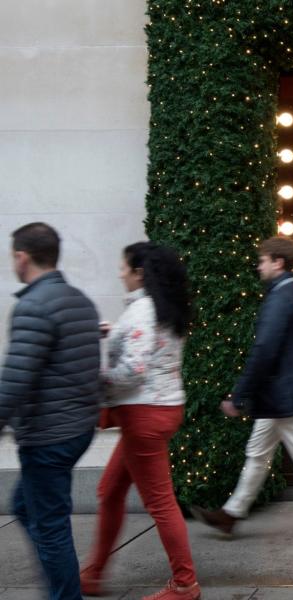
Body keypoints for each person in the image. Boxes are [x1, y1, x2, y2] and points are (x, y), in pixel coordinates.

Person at [191, 236, 293, 547]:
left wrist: (239, 396)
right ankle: (231, 513)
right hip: (283, 395)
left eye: (262, 260)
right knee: (257, 453)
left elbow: (264, 349)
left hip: (281, 397)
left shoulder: (280, 297)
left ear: (278, 262)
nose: (258, 265)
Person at [80, 242, 200, 599]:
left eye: (123, 267)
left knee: (160, 502)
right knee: (110, 490)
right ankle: (94, 573)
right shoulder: (160, 307)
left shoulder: (143, 309)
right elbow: (148, 345)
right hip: (159, 409)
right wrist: (114, 330)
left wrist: (97, 383)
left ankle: (185, 584)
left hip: (142, 415)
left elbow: (134, 367)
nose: (119, 273)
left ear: (139, 273)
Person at [0, 222, 100, 600]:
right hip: (76, 428)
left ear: (22, 257)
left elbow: (14, 380)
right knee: (24, 506)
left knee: (50, 527)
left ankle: (64, 595)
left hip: (48, 436)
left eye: (13, 255)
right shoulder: (81, 301)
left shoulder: (33, 306)